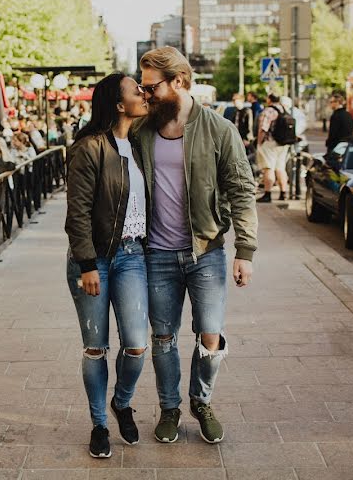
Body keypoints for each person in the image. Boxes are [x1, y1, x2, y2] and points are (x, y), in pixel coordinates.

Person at [135, 47, 257, 445]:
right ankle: (170, 408)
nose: (145, 93)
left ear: (179, 82)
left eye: (151, 87)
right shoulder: (142, 130)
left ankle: (200, 401)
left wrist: (245, 251)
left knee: (210, 333)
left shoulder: (219, 130)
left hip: (205, 253)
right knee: (163, 337)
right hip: (155, 255)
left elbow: (241, 190)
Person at [64, 72, 150, 458]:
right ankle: (99, 424)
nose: (144, 94)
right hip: (94, 258)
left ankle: (122, 401)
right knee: (96, 347)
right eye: (137, 91)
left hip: (132, 255)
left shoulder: (139, 144)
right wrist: (86, 263)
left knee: (135, 345)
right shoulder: (90, 148)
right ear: (119, 104)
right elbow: (78, 212)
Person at [255, 94, 291, 203]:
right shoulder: (284, 109)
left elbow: (263, 129)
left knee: (268, 168)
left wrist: (259, 143)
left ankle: (267, 194)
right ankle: (283, 193)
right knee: (280, 168)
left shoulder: (268, 111)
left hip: (269, 143)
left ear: (269, 99)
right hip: (283, 143)